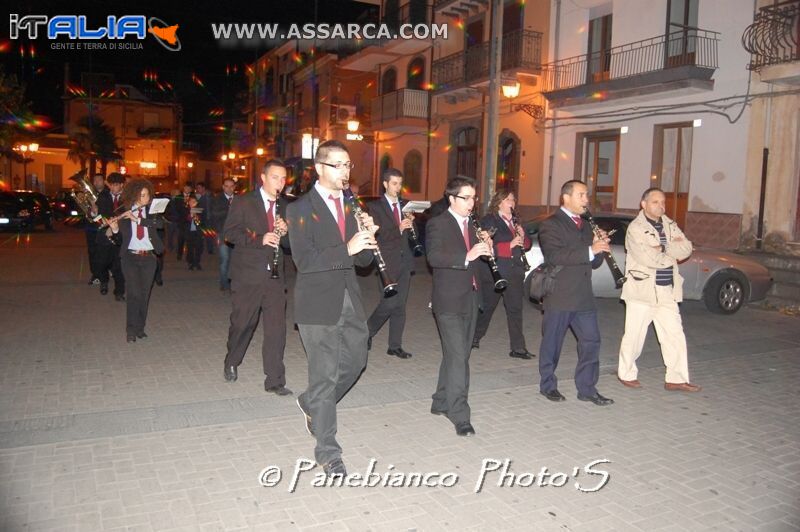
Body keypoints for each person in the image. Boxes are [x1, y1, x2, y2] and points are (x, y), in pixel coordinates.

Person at [287, 140, 377, 478]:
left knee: (356, 361)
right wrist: (347, 247)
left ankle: (312, 402)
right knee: (324, 376)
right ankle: (328, 451)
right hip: (316, 303)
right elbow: (305, 261)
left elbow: (364, 261)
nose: (345, 172)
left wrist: (368, 237)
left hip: (349, 299)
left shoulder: (353, 207)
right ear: (319, 168)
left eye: (348, 165)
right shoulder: (298, 209)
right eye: (338, 165)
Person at [426, 176, 493, 437]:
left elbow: (478, 262)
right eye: (466, 198)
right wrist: (467, 256)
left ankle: (440, 401)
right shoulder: (437, 224)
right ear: (452, 198)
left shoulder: (475, 227)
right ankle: (459, 414)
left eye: (474, 197)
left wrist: (487, 251)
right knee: (458, 359)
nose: (471, 203)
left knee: (458, 355)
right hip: (448, 300)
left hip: (471, 297)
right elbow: (434, 257)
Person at [537, 180, 614, 406]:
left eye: (586, 195)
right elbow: (555, 256)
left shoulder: (587, 224)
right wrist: (590, 249)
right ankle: (548, 385)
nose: (586, 200)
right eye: (581, 195)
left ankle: (587, 388)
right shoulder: (551, 224)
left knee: (591, 341)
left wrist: (599, 246)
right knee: (552, 343)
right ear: (566, 198)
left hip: (583, 296)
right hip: (560, 294)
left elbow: (594, 262)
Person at [617, 187, 700, 392]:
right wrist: (672, 251)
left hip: (667, 291)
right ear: (643, 204)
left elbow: (687, 248)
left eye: (663, 202)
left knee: (674, 335)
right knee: (634, 336)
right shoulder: (636, 228)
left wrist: (662, 248)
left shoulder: (670, 225)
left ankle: (676, 378)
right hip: (642, 291)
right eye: (655, 202)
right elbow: (647, 258)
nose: (661, 206)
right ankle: (626, 373)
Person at [223, 160, 291, 395]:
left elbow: (291, 244)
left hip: (275, 276)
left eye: (283, 179)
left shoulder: (285, 206)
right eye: (275, 177)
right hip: (247, 274)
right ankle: (232, 360)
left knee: (276, 328)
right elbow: (230, 233)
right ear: (263, 178)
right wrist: (259, 238)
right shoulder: (244, 201)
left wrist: (286, 232)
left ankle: (275, 379)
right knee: (243, 323)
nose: (280, 183)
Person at [471, 190, 534, 359]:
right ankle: (474, 337)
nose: (512, 203)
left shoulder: (516, 221)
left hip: (514, 271)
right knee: (487, 308)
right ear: (499, 202)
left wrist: (523, 236)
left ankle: (518, 348)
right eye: (508, 200)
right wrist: (510, 244)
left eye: (513, 199)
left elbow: (526, 245)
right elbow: (488, 247)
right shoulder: (490, 221)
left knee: (515, 309)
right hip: (495, 271)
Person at [366, 168, 416, 359]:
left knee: (400, 305)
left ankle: (394, 345)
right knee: (389, 302)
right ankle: (367, 331)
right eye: (394, 183)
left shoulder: (405, 206)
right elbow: (378, 235)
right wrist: (398, 228)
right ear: (385, 184)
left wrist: (411, 225)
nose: (398, 187)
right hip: (386, 261)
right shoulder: (376, 207)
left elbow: (413, 235)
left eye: (400, 183)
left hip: (405, 260)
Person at [107, 178, 163, 343]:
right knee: (134, 294)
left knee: (144, 295)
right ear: (134, 196)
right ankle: (130, 330)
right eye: (142, 196)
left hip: (149, 258)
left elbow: (159, 224)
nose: (146, 199)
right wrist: (115, 229)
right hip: (130, 257)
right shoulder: (124, 212)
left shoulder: (151, 212)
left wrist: (138, 220)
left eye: (147, 195)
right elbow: (118, 241)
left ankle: (140, 328)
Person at [93, 173, 126, 301]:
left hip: (119, 235)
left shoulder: (127, 198)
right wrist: (94, 212)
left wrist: (115, 229)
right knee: (102, 263)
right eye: (111, 185)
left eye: (116, 185)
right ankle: (104, 282)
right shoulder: (103, 196)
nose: (113, 187)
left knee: (118, 266)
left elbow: (128, 217)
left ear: (122, 185)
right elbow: (98, 216)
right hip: (104, 235)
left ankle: (119, 292)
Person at [211, 178, 236, 291]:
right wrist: (230, 209)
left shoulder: (240, 199)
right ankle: (224, 283)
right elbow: (215, 214)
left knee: (235, 260)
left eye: (231, 186)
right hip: (222, 233)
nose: (229, 188)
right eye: (227, 186)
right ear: (223, 187)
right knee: (225, 259)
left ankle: (234, 282)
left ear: (234, 187)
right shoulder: (217, 199)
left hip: (237, 234)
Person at [85, 174, 107, 285]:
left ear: (104, 181)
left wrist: (98, 211)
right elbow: (85, 210)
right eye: (95, 180)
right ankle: (95, 275)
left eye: (99, 179)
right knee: (92, 252)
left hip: (104, 228)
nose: (97, 182)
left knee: (104, 252)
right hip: (91, 228)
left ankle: (106, 272)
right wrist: (92, 211)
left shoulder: (108, 194)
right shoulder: (88, 195)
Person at [184, 196, 204, 270]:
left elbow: (201, 222)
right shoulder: (186, 210)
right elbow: (184, 220)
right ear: (188, 202)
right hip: (189, 232)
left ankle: (197, 262)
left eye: (194, 201)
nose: (192, 203)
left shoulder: (199, 210)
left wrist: (196, 216)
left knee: (199, 248)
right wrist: (190, 215)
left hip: (198, 232)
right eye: (191, 201)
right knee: (190, 248)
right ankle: (191, 262)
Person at [195, 182, 215, 255]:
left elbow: (213, 207)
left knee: (209, 235)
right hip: (199, 218)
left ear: (203, 188)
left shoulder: (209, 196)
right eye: (197, 188)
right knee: (199, 234)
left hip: (208, 218)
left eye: (199, 188)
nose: (198, 189)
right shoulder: (197, 197)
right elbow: (195, 208)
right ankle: (200, 249)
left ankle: (210, 249)